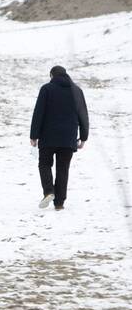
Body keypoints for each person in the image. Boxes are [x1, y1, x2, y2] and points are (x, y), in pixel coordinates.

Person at [30, 65, 89, 211]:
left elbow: (39, 113)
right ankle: (59, 203)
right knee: (63, 169)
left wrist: (34, 135)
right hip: (68, 138)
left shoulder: (46, 89)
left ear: (52, 76)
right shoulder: (77, 91)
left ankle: (49, 191)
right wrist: (83, 136)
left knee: (44, 164)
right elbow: (83, 115)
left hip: (48, 137)